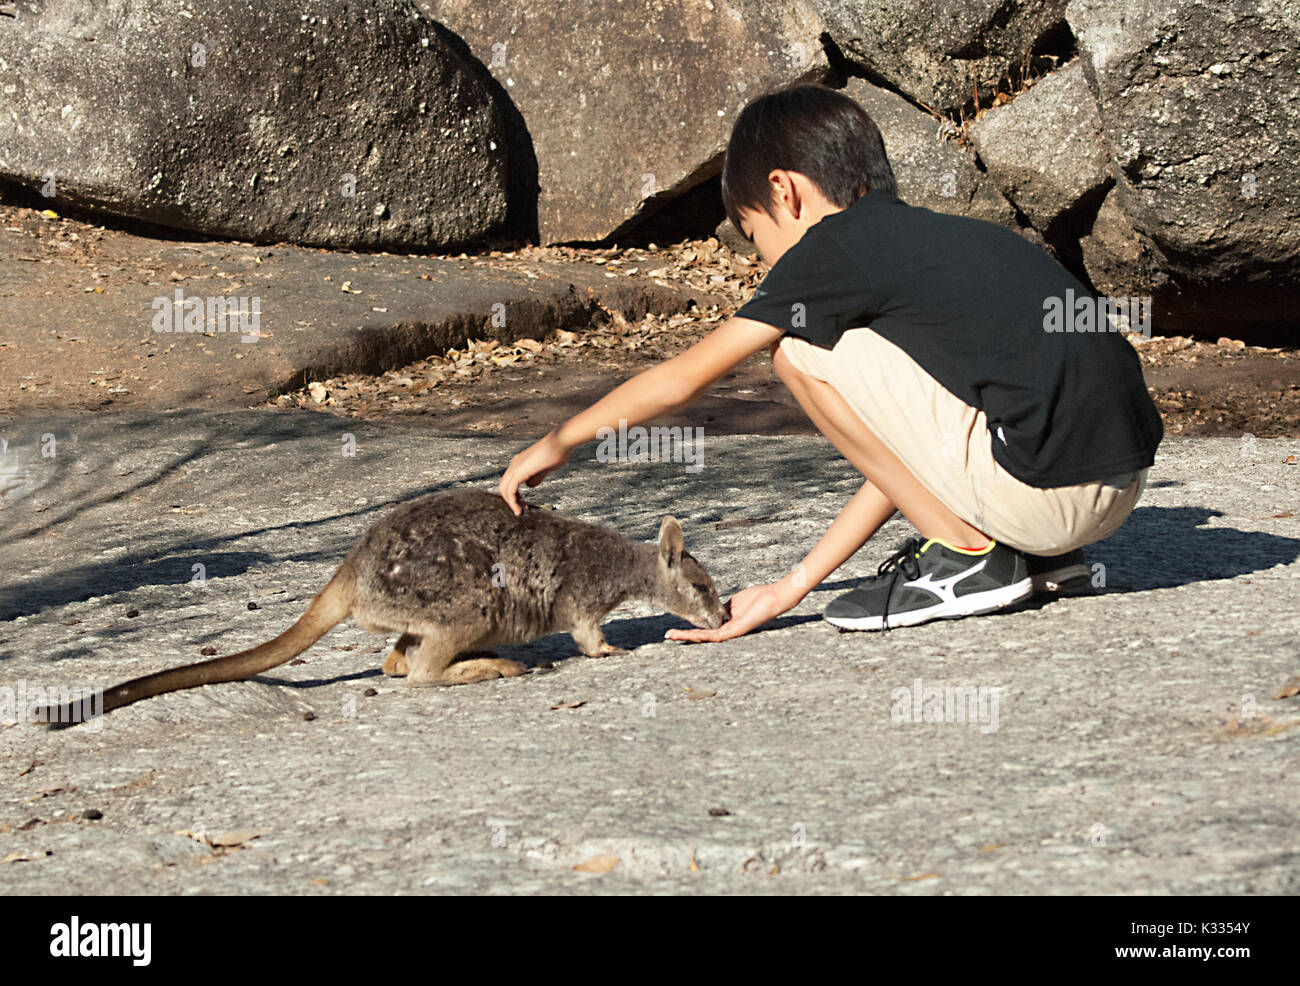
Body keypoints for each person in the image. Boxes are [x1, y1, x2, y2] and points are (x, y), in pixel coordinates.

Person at [499, 84, 1162, 640]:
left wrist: (560, 440)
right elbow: (909, 463)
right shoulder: (945, 241)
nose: (766, 262)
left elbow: (683, 376)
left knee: (798, 351)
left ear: (785, 192)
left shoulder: (831, 250)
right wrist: (791, 588)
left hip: (1044, 497)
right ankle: (1024, 557)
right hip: (1110, 493)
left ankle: (972, 560)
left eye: (757, 237)